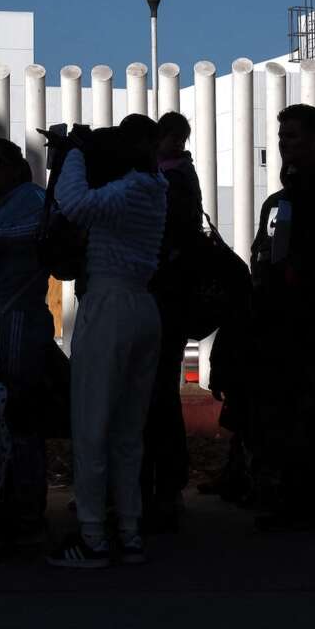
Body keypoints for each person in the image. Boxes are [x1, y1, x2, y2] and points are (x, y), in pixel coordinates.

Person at [47, 116, 169, 567]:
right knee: (127, 430)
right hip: (143, 307)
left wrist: (73, 151)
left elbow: (74, 203)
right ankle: (129, 532)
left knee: (92, 425)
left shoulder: (129, 189)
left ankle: (94, 536)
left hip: (109, 304)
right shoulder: (154, 187)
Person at [245, 102, 315, 532]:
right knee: (296, 412)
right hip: (295, 317)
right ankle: (301, 500)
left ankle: (312, 505)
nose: (284, 143)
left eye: (292, 136)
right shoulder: (295, 187)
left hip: (308, 320)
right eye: (282, 136)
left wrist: (290, 277)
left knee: (308, 413)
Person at [0, 138, 52, 534]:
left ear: (16, 168)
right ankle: (6, 498)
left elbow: (42, 229)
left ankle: (25, 505)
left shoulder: (31, 198)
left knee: (19, 413)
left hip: (19, 321)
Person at [140, 112, 205, 532]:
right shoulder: (179, 175)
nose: (175, 144)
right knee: (160, 393)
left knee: (158, 393)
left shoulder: (171, 179)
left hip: (164, 296)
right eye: (171, 137)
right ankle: (165, 485)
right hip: (170, 298)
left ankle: (163, 485)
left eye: (179, 138)